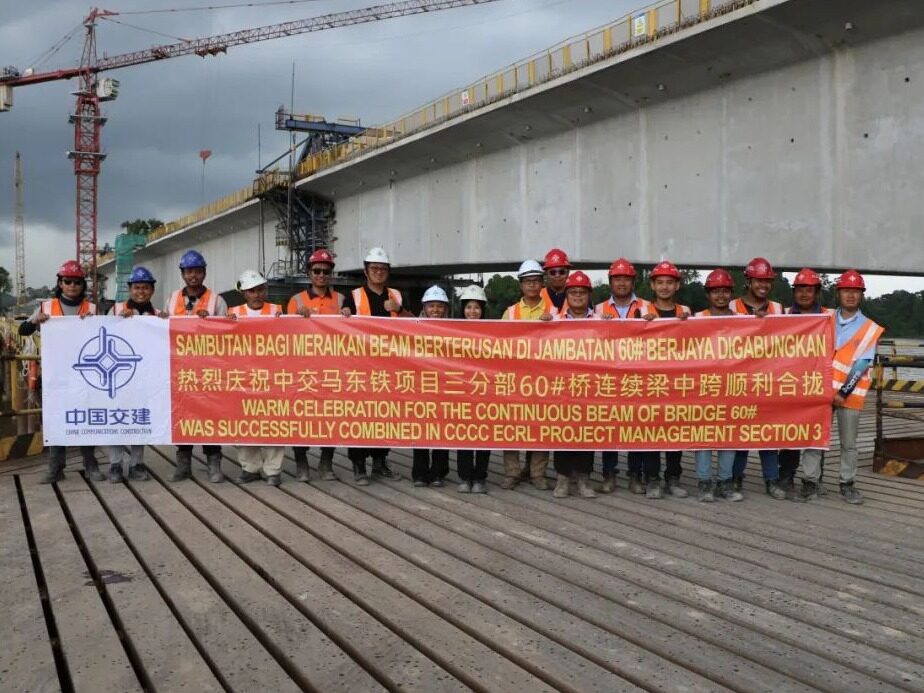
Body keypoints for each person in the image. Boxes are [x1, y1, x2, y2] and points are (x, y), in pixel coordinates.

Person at [800, 270, 883, 504]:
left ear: (862, 295)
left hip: (849, 395)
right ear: (838, 293)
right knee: (815, 438)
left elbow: (862, 364)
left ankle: (847, 484)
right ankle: (810, 482)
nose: (851, 295)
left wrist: (843, 393)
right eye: (846, 290)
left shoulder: (869, 328)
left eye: (856, 291)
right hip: (820, 390)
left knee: (849, 444)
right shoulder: (823, 316)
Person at [20, 260, 103, 484]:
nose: (72, 286)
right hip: (55, 376)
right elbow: (23, 329)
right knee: (56, 420)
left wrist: (95, 323)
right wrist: (35, 321)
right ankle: (56, 467)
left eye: (77, 282)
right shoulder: (46, 308)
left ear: (82, 285)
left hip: (85, 376)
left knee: (86, 419)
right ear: (60, 283)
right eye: (67, 281)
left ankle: (90, 464)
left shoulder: (92, 309)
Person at [341, 247, 410, 484]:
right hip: (360, 366)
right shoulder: (353, 296)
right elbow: (341, 326)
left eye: (382, 269)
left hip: (389, 366)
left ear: (388, 271)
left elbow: (415, 325)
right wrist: (344, 314)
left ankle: (380, 461)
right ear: (366, 271)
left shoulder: (397, 296)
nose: (378, 272)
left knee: (384, 415)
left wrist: (399, 310)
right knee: (360, 415)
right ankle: (359, 464)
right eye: (374, 268)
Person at [164, 249, 228, 483]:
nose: (193, 276)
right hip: (180, 370)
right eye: (189, 271)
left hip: (208, 369)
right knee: (183, 416)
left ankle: (213, 462)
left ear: (204, 273)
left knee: (210, 416)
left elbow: (226, 333)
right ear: (182, 274)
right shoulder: (172, 299)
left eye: (197, 271)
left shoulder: (216, 301)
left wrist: (210, 322)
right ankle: (184, 464)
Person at [729, 257, 787, 500]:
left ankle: (771, 480)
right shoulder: (732, 306)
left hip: (768, 380)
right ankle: (735, 478)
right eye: (758, 280)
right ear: (748, 281)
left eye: (767, 281)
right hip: (739, 381)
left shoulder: (779, 309)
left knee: (768, 434)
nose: (763, 285)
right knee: (740, 435)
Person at [595, 257, 651, 493]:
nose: (621, 283)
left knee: (637, 427)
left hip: (638, 375)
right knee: (609, 427)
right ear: (610, 282)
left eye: (626, 279)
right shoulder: (598, 309)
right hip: (609, 376)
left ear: (633, 282)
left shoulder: (647, 308)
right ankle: (609, 474)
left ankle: (635, 475)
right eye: (617, 278)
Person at [287, 248, 344, 482]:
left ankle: (326, 462)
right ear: (309, 273)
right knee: (300, 416)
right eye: (317, 271)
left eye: (326, 271)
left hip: (331, 368)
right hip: (304, 368)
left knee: (330, 416)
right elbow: (285, 335)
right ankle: (301, 462)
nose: (321, 275)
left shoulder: (341, 300)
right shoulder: (296, 301)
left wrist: (349, 315)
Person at [228, 270, 286, 486]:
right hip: (244, 376)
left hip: (272, 376)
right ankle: (249, 467)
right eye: (252, 291)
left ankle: (273, 470)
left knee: (273, 423)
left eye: (260, 289)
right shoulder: (233, 313)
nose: (257, 294)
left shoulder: (277, 311)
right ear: (244, 293)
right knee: (246, 422)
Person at [638, 260, 690, 499]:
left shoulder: (685, 312)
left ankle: (673, 477)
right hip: (650, 383)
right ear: (652, 285)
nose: (665, 287)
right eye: (660, 282)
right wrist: (642, 325)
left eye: (670, 282)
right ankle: (652, 479)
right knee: (651, 433)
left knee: (674, 433)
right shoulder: (642, 312)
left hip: (677, 383)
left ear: (677, 285)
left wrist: (689, 324)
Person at [779, 268, 832, 499]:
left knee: (816, 433)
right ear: (794, 292)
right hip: (790, 383)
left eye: (809, 289)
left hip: (817, 383)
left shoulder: (828, 318)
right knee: (789, 433)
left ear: (817, 292)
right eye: (800, 289)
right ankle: (786, 475)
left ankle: (812, 480)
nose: (804, 294)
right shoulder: (783, 317)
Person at [106, 266, 162, 483]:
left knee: (139, 419)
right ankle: (115, 464)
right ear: (129, 289)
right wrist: (119, 320)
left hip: (145, 377)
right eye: (137, 287)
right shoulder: (115, 310)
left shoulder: (158, 315)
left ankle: (137, 464)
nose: (141, 292)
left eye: (145, 288)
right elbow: (103, 332)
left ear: (152, 290)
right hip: (119, 376)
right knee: (117, 419)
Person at [692, 269, 742, 502]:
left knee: (728, 435)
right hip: (704, 386)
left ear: (731, 293)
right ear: (707, 294)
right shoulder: (696, 319)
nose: (720, 296)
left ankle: (725, 482)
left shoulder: (742, 320)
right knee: (703, 435)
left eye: (725, 291)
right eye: (715, 291)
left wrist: (763, 322)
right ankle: (704, 482)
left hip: (732, 386)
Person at [501, 259, 551, 490]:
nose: (532, 285)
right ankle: (512, 472)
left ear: (542, 283)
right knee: (511, 425)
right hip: (516, 377)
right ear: (521, 284)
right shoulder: (510, 313)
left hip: (543, 377)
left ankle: (537, 473)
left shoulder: (552, 312)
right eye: (527, 281)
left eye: (536, 280)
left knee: (541, 425)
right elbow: (500, 343)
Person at [550, 271, 597, 499]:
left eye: (582, 292)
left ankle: (584, 478)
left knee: (587, 432)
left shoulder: (600, 321)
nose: (578, 296)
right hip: (562, 385)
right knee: (563, 432)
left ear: (589, 295)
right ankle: (562, 477)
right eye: (573, 292)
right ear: (567, 295)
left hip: (590, 386)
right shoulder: (553, 321)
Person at [411, 285, 452, 487]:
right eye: (431, 305)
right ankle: (419, 473)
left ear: (445, 308)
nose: (435, 309)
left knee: (442, 431)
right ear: (424, 307)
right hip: (420, 386)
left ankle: (438, 473)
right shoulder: (412, 327)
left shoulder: (455, 330)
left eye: (439, 306)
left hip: (444, 387)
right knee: (420, 430)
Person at [455, 285, 490, 494]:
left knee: (485, 435)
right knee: (464, 435)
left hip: (485, 390)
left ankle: (480, 477)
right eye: (468, 307)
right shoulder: (452, 331)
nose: (472, 311)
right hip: (462, 390)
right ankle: (465, 477)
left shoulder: (494, 331)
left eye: (477, 307)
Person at [540, 248, 570, 318]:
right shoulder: (538, 296)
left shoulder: (577, 296)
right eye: (552, 272)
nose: (557, 275)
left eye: (561, 272)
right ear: (546, 274)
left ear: (568, 273)